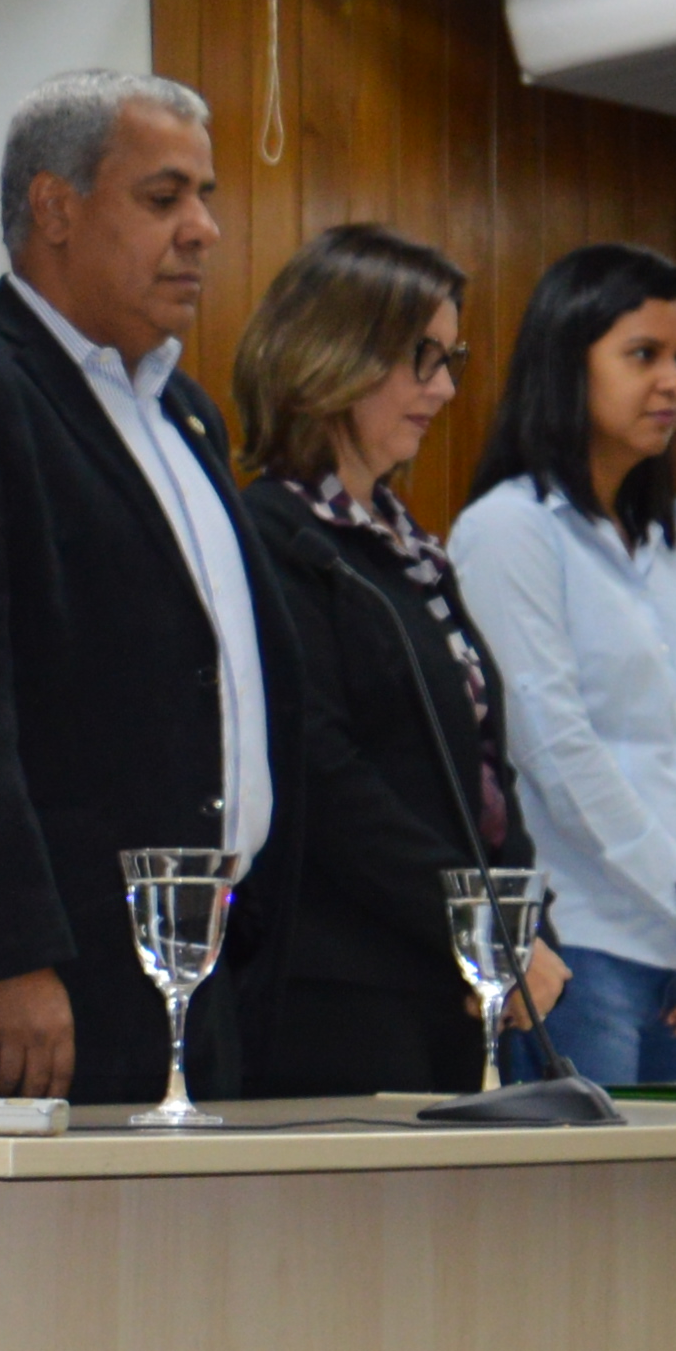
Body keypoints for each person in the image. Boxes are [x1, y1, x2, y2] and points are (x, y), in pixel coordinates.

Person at [0, 71, 271, 1105]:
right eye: (164, 197)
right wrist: (7, 950)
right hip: (58, 982)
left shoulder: (187, 416)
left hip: (203, 969)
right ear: (55, 207)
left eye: (206, 197)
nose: (204, 229)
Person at [222, 222, 564, 1093]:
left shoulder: (404, 545)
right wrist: (481, 922)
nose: (445, 388)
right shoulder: (277, 536)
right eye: (422, 357)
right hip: (344, 988)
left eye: (453, 358)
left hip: (449, 976)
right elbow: (324, 776)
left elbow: (483, 763)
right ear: (336, 351)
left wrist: (521, 922)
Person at [446, 244, 676, 1095]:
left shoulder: (668, 542)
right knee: (585, 1224)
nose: (671, 383)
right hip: (583, 951)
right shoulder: (509, 529)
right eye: (643, 355)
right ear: (566, 359)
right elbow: (553, 750)